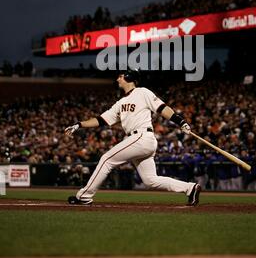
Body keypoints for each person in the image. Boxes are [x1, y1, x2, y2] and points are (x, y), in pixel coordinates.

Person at [64, 70, 201, 206]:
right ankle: (190, 188)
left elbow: (162, 108)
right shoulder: (121, 102)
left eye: (120, 76)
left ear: (129, 77)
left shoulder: (142, 92)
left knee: (106, 159)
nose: (118, 79)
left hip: (142, 136)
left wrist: (181, 122)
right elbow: (101, 120)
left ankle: (84, 196)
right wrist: (79, 124)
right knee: (150, 181)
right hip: (138, 140)